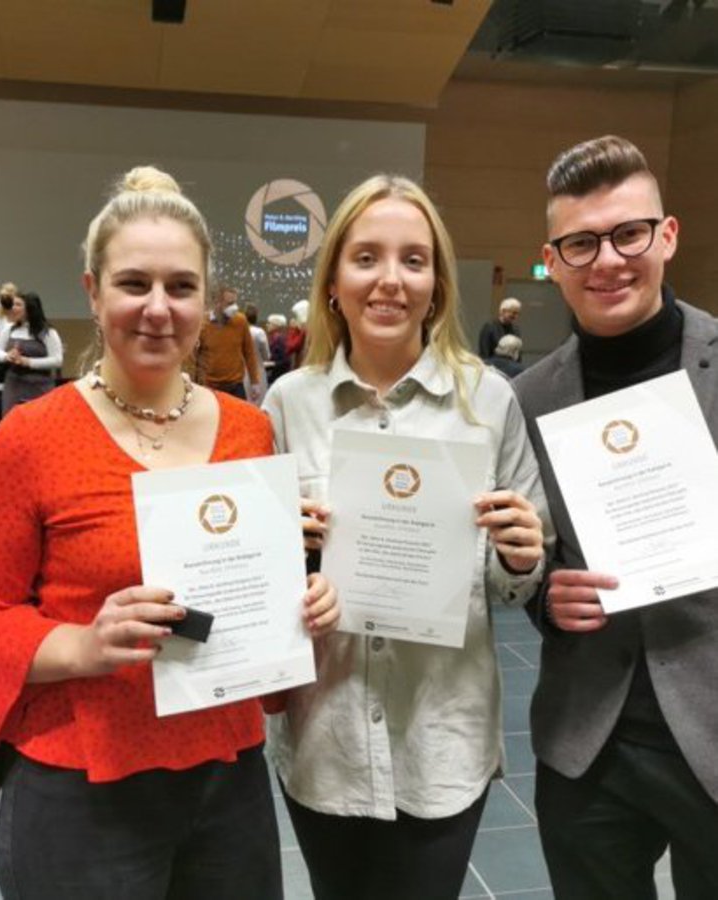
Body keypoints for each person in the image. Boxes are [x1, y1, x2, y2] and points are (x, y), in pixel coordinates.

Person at [0, 165, 339, 900]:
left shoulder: (249, 432)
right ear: (93, 293)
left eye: (181, 287)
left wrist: (302, 602)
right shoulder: (28, 439)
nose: (158, 308)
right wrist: (84, 645)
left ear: (206, 300)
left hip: (226, 774)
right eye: (134, 284)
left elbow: (257, 592)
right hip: (81, 784)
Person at [263, 173, 548, 900]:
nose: (390, 279)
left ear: (437, 284)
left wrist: (521, 556)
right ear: (333, 282)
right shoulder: (288, 404)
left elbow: (512, 587)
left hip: (442, 739)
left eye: (413, 260)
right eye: (366, 258)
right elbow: (266, 583)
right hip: (326, 741)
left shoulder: (489, 401)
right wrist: (288, 562)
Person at [514, 135, 718, 900]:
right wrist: (545, 596)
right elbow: (522, 557)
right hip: (588, 738)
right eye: (581, 243)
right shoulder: (527, 399)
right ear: (552, 259)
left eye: (629, 233)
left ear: (668, 235)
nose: (607, 260)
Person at [0, 289, 63, 414]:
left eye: (18, 305)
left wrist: (28, 362)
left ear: (30, 308)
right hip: (13, 385)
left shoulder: (48, 332)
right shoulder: (10, 329)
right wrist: (6, 356)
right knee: (11, 420)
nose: (13, 308)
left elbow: (58, 360)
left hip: (39, 386)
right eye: (13, 304)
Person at [196, 285, 261, 400]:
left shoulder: (241, 321)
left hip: (235, 386)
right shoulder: (203, 324)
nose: (235, 307)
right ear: (217, 303)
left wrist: (254, 382)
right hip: (210, 386)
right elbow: (195, 356)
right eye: (230, 303)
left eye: (235, 302)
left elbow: (249, 353)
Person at [244, 301, 271, 403]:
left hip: (241, 372)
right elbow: (266, 356)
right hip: (258, 370)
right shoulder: (259, 332)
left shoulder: (240, 331)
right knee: (258, 401)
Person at [265, 313, 290, 385]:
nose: (267, 325)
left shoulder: (280, 340)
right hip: (275, 375)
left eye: (269, 323)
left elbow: (285, 361)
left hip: (280, 377)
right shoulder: (274, 339)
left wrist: (271, 364)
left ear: (276, 326)